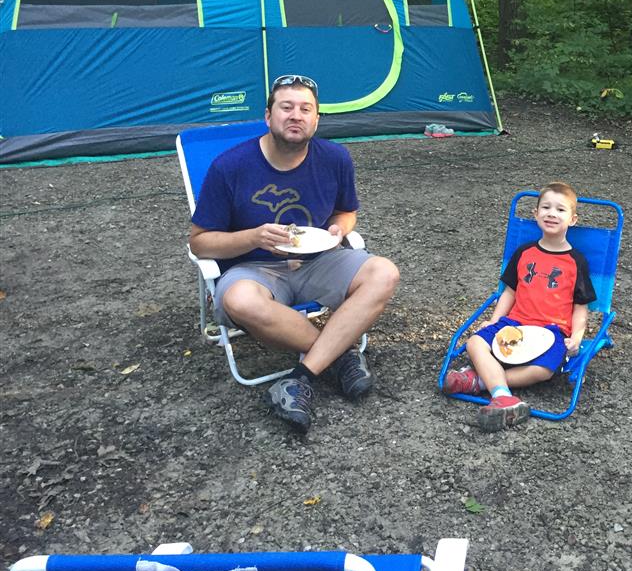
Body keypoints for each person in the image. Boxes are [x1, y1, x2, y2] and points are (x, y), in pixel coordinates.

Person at [189, 74, 400, 436]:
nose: (296, 116)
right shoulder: (230, 166)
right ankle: (339, 356)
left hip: (318, 260)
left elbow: (346, 211)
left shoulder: (335, 157)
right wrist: (252, 237)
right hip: (254, 268)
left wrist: (339, 229)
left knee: (385, 273)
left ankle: (302, 376)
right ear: (268, 115)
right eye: (286, 107)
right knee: (240, 300)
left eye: (305, 109)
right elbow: (199, 243)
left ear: (316, 119)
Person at [442, 182, 597, 432]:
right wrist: (495, 320)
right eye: (545, 207)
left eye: (560, 210)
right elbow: (509, 292)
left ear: (573, 219)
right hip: (514, 323)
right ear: (535, 214)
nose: (551, 214)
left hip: (553, 330)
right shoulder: (524, 252)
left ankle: (480, 382)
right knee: (475, 343)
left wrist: (577, 337)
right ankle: (503, 395)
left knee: (544, 370)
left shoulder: (576, 261)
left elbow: (581, 307)